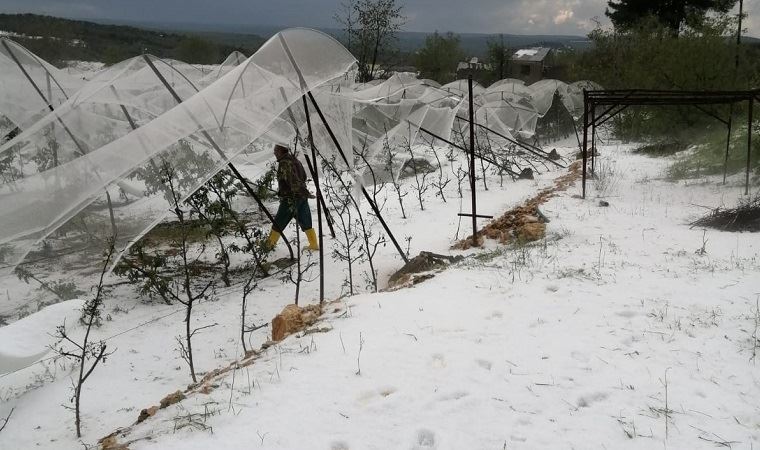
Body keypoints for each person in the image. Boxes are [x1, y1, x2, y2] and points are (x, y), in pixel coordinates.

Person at [266, 144, 319, 251]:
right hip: (301, 197)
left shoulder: (284, 163)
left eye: (275, 150)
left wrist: (298, 191)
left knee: (279, 222)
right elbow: (303, 176)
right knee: (305, 219)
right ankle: (313, 244)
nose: (274, 153)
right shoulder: (295, 160)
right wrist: (304, 193)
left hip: (291, 198)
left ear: (281, 151)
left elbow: (292, 181)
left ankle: (268, 246)